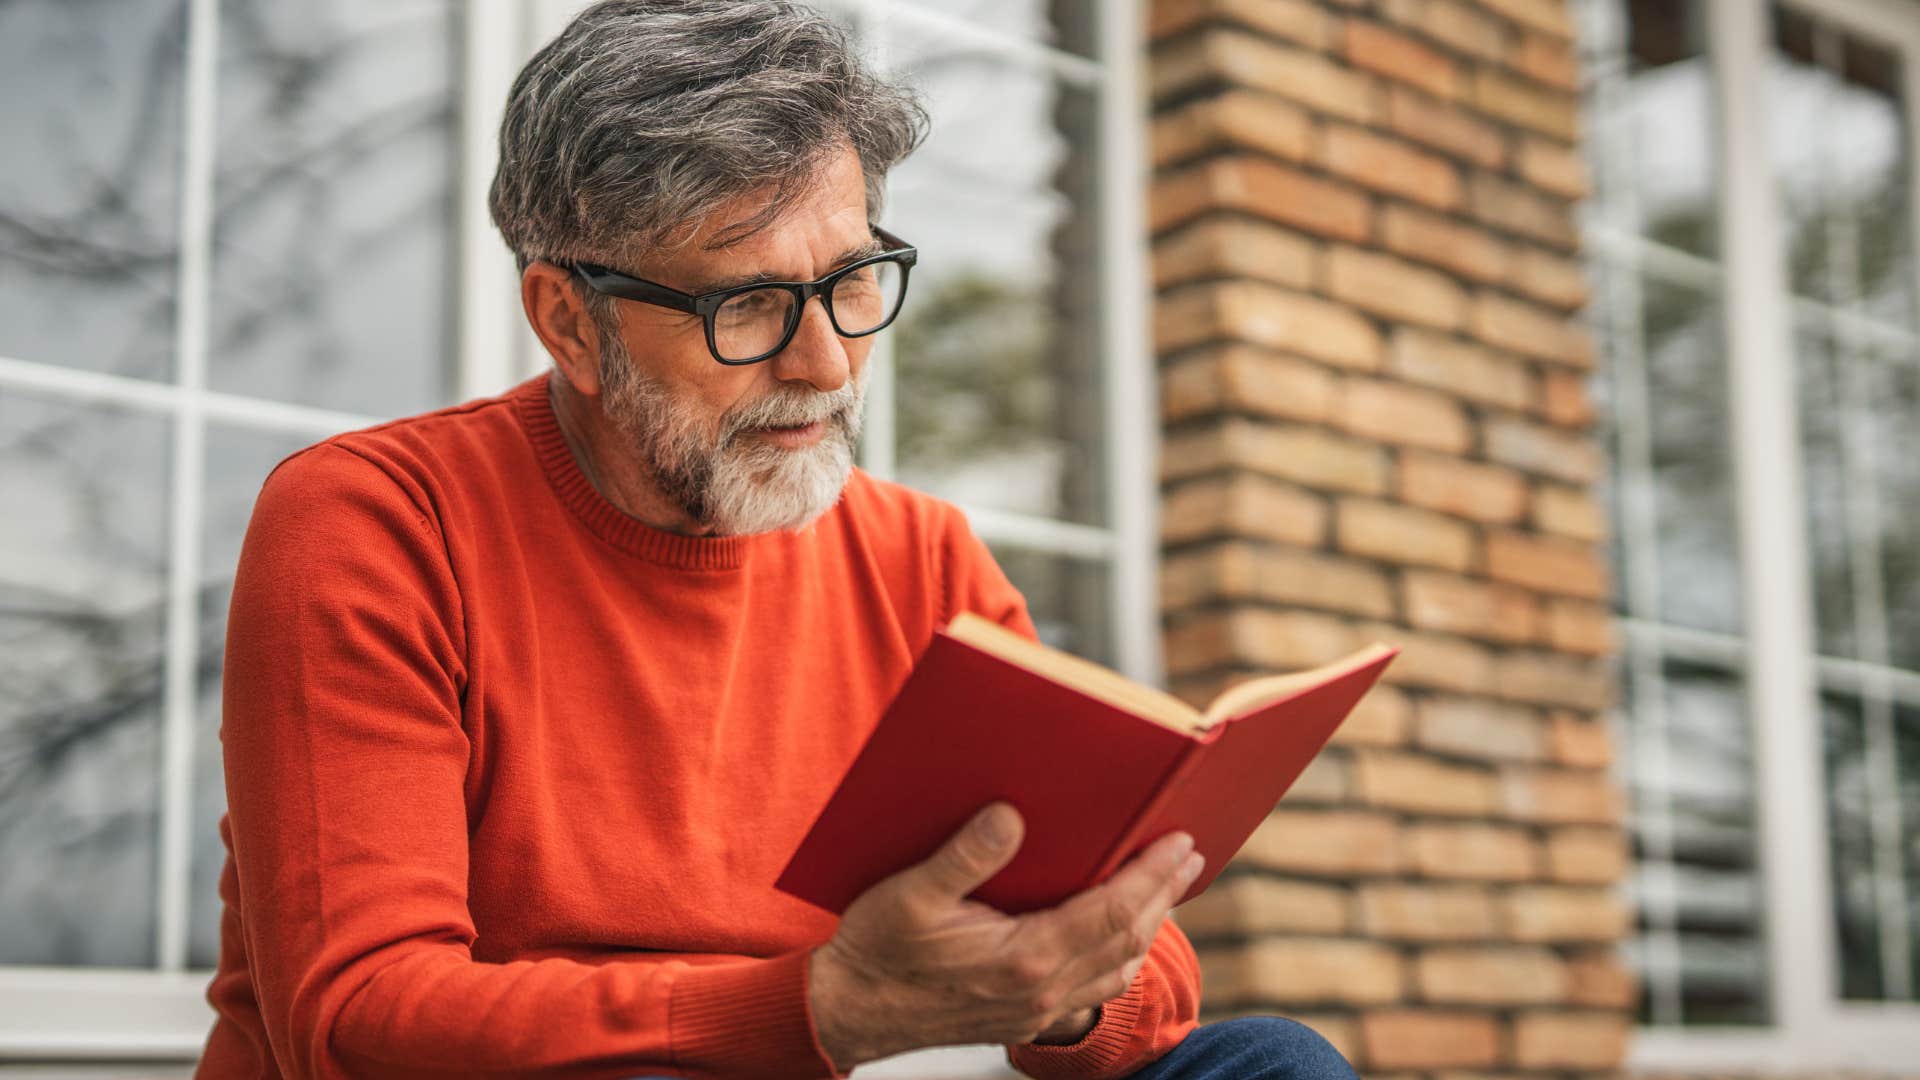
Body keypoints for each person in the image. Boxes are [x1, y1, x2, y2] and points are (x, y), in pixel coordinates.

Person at [193, 2, 1360, 1077]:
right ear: (570, 323)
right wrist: (825, 1010)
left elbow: (1147, 971)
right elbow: (358, 1021)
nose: (827, 365)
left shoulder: (920, 558)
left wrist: (1055, 992)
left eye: (853, 282)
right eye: (744, 305)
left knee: (1267, 1064)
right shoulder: (378, 522)